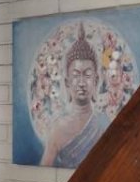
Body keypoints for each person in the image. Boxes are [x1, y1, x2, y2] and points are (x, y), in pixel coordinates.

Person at [40, 23, 109, 167]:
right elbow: (44, 168)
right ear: (67, 82)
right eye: (76, 75)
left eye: (87, 75)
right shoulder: (57, 129)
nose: (82, 82)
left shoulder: (104, 125)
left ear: (96, 80)